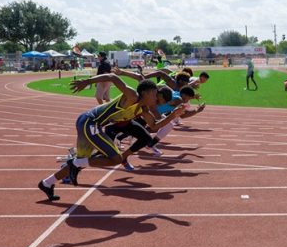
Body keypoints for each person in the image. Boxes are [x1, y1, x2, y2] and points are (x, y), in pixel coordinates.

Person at [38, 77, 184, 201]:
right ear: (147, 93)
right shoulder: (131, 96)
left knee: (82, 162)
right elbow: (113, 77)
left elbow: (154, 126)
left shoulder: (143, 109)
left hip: (93, 125)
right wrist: (87, 82)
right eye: (154, 95)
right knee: (115, 159)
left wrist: (173, 115)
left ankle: (46, 183)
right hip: (90, 121)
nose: (156, 100)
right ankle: (75, 163)